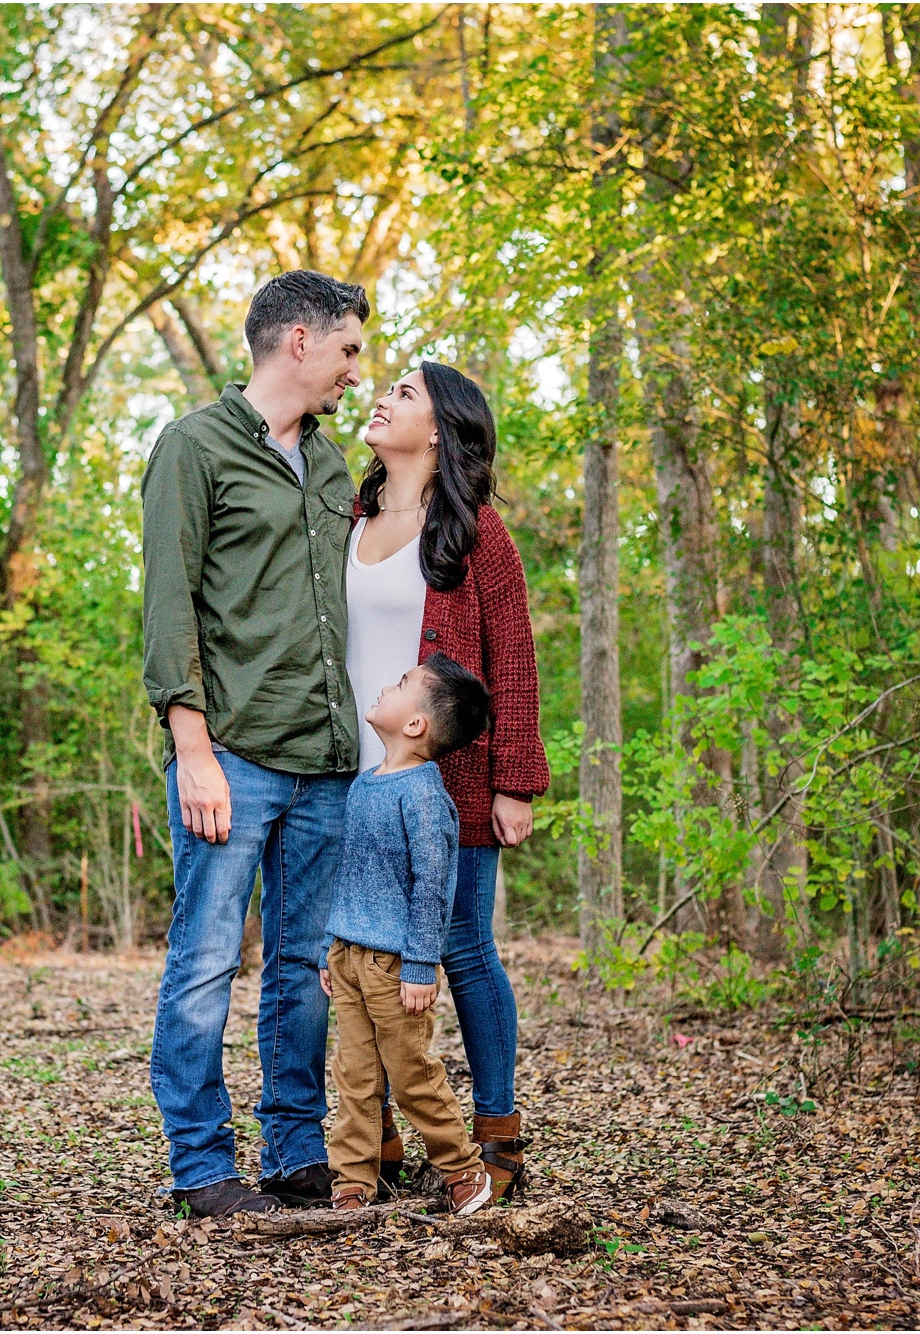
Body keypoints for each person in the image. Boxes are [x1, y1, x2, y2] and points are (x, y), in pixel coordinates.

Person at [140, 270, 370, 1218]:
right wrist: (193, 752)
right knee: (203, 965)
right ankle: (201, 1167)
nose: (360, 369)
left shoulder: (332, 468)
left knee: (303, 969)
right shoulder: (192, 447)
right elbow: (167, 609)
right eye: (351, 348)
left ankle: (295, 1152)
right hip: (231, 754)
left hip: (325, 762)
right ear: (301, 343)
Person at [345, 361, 550, 1200]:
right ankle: (378, 1140)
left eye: (405, 393)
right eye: (384, 384)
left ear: (437, 430)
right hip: (351, 780)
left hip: (449, 780)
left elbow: (516, 658)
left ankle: (497, 1137)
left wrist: (515, 781)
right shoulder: (347, 514)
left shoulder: (476, 532)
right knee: (360, 952)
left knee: (461, 946)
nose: (382, 396)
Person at [318, 655, 497, 1216]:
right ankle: (353, 1180)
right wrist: (332, 945)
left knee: (412, 1074)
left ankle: (463, 1170)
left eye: (401, 685)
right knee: (354, 1075)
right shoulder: (367, 785)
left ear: (416, 724)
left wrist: (421, 964)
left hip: (396, 967)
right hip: (349, 957)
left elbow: (434, 887)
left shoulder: (423, 795)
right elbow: (350, 872)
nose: (386, 685)